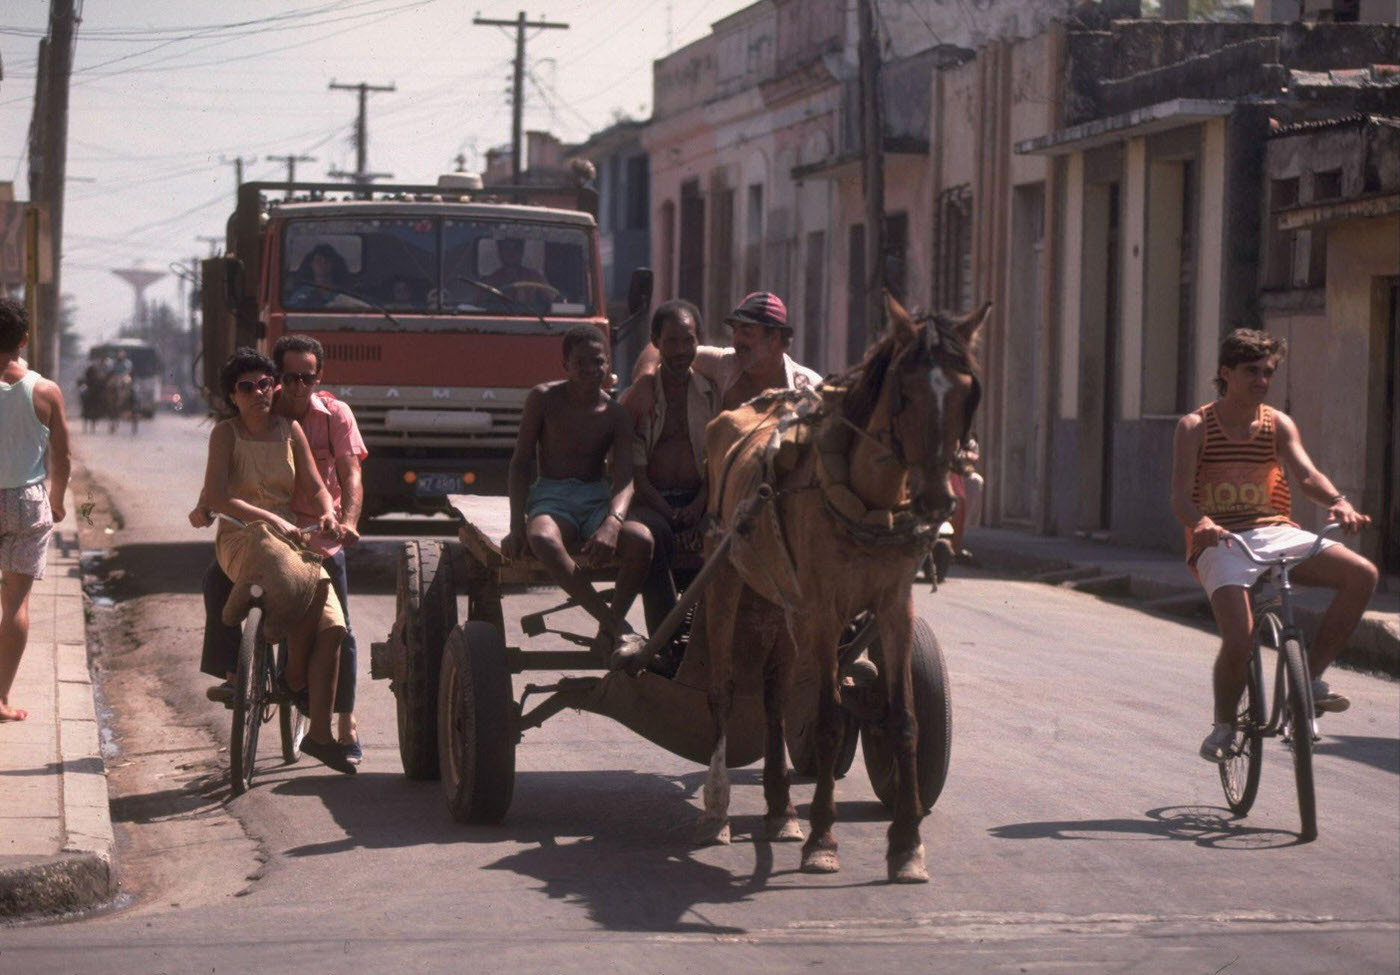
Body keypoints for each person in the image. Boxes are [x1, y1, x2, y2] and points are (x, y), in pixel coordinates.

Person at [1169, 328, 1377, 763]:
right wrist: (1202, 523)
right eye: (1251, 372)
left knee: (1362, 574)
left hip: (1276, 532)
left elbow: (1306, 474)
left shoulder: (1277, 423)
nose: (1262, 381)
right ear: (1226, 373)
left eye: (1267, 372)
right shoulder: (1194, 426)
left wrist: (1339, 502)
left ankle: (1312, 678)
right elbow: (1181, 497)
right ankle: (1225, 725)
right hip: (1220, 540)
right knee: (1240, 639)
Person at [190, 335, 368, 763]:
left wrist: (332, 515)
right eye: (247, 387)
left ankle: (322, 731)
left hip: (296, 537)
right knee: (227, 580)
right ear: (233, 396)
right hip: (246, 536)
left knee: (334, 625)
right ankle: (238, 670)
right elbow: (216, 495)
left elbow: (321, 486)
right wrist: (270, 519)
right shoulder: (225, 434)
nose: (260, 393)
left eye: (265, 384)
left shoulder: (294, 430)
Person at [503, 324, 652, 665]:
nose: (590, 370)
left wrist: (613, 522)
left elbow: (626, 476)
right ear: (565, 365)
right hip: (552, 498)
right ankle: (616, 624)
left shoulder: (615, 413)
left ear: (608, 365)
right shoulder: (543, 399)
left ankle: (607, 634)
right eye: (580, 363)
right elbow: (520, 463)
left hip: (596, 499)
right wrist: (516, 525)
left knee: (641, 540)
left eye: (597, 362)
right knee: (542, 537)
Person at [628, 300, 718, 675]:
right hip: (651, 499)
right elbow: (633, 470)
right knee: (655, 539)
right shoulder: (642, 396)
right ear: (656, 342)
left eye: (688, 341)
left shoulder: (712, 393)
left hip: (699, 500)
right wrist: (668, 513)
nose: (681, 351)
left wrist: (700, 507)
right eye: (672, 342)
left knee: (730, 542)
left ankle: (710, 642)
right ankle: (665, 643)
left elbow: (720, 460)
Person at [0, 297, 71, 723]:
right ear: (24, 340)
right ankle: (1, 697)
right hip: (27, 503)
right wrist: (58, 501)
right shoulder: (44, 391)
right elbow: (61, 458)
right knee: (16, 601)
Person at [625, 291, 821, 415]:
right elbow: (659, 348)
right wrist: (645, 380)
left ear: (774, 338)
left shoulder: (809, 388)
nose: (737, 341)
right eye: (735, 331)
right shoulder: (724, 363)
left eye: (746, 332)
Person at [286, 244, 348, 309]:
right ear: (311, 264)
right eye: (318, 261)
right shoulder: (302, 293)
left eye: (327, 261)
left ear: (334, 264)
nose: (323, 264)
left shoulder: (344, 293)